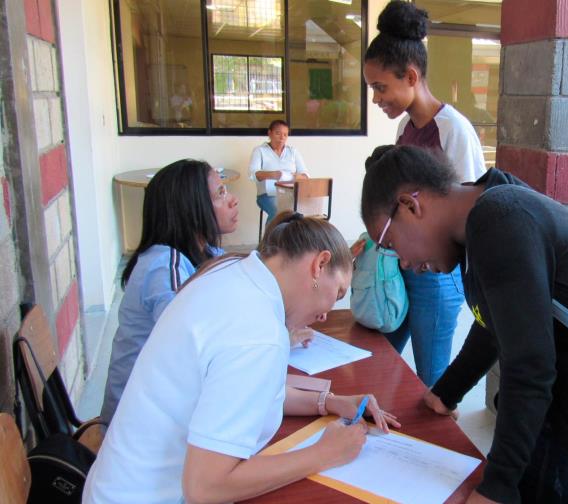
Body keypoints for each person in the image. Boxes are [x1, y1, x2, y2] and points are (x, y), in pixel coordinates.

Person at [361, 144, 568, 503]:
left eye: (391, 244)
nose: (404, 262)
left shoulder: (498, 218)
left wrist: (497, 487)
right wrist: (446, 393)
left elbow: (529, 367)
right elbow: (497, 323)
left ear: (410, 206)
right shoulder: (487, 208)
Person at [84, 212, 400, 503]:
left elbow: (236, 391)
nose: (326, 314)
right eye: (338, 292)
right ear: (320, 264)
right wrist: (324, 454)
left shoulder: (233, 271)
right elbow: (205, 487)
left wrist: (328, 402)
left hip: (115, 486)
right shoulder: (258, 332)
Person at [362, 1, 487, 386]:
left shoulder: (453, 129)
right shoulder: (404, 130)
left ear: (411, 76)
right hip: (404, 266)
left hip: (437, 272)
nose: (376, 99)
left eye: (380, 87)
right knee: (381, 360)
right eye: (372, 89)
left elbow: (472, 213)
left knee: (431, 381)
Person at [100, 159, 239, 423]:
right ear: (191, 208)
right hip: (138, 423)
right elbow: (190, 347)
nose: (233, 200)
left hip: (163, 404)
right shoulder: (164, 266)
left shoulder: (206, 253)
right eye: (221, 193)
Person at [249, 120, 309, 226]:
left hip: (290, 194)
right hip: (267, 195)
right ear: (269, 133)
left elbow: (305, 175)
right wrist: (273, 175)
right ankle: (271, 236)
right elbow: (253, 173)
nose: (282, 138)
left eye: (285, 135)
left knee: (300, 212)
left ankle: (291, 236)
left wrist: (293, 176)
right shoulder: (260, 150)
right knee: (279, 212)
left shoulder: (293, 151)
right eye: (278, 133)